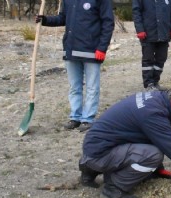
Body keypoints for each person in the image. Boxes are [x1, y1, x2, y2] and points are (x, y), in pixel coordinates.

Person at [35, 0, 115, 132]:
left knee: (92, 88)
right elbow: (62, 18)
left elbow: (108, 23)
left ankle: (87, 119)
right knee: (74, 87)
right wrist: (45, 20)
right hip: (71, 50)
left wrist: (102, 47)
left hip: (92, 51)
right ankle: (75, 117)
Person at [132, 0, 171, 91]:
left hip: (164, 33)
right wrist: (140, 29)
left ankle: (155, 82)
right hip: (148, 34)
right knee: (148, 59)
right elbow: (136, 12)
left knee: (161, 58)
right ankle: (149, 84)